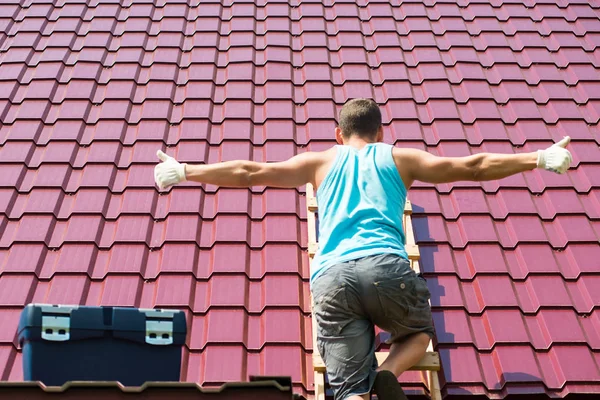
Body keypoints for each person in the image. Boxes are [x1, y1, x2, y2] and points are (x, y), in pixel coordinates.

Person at [154, 98, 572, 400]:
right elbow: (473, 166)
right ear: (380, 132)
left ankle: (361, 389)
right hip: (387, 267)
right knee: (419, 335)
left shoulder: (319, 162)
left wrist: (186, 171)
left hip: (333, 275)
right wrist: (537, 158)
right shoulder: (398, 157)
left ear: (339, 133)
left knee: (349, 390)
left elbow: (250, 172)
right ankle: (388, 371)